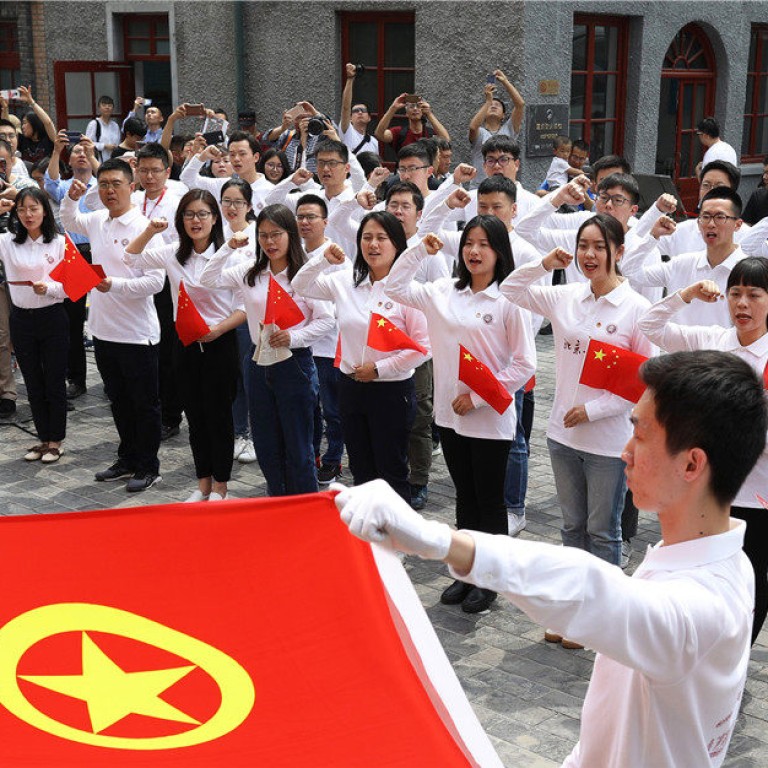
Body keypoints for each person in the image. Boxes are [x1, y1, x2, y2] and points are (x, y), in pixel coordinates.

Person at [335, 348, 766, 768]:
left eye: (640, 433)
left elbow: (592, 590)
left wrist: (441, 541)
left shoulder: (702, 609)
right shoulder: (720, 557)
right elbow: (622, 711)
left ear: (692, 465)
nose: (626, 451)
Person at [501, 216, 653, 609]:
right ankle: (572, 605)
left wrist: (593, 410)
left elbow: (643, 383)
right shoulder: (566, 295)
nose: (589, 254)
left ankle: (603, 612)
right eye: (583, 245)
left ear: (618, 252)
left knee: (603, 530)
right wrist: (543, 265)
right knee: (571, 527)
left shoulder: (637, 308)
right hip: (562, 437)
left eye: (600, 246)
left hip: (607, 441)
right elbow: (510, 287)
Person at [385, 216, 535, 612]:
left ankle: (490, 580)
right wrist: (419, 249)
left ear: (499, 251)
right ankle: (465, 573)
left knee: (489, 502)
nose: (474, 251)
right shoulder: (442, 291)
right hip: (449, 417)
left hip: (488, 419)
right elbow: (394, 286)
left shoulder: (509, 300)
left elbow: (525, 364)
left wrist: (479, 399)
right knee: (464, 499)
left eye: (485, 244)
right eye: (469, 242)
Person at [638, 257, 768, 646]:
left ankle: (738, 653)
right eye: (735, 293)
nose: (742, 304)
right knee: (708, 565)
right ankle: (706, 643)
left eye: (754, 295)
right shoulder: (714, 342)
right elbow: (650, 326)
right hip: (709, 486)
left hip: (757, 490)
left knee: (752, 572)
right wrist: (686, 294)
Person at [292, 211, 429, 502]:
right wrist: (322, 259)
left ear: (397, 245)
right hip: (351, 387)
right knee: (361, 468)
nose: (373, 245)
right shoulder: (345, 281)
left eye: (382, 238)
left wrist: (379, 369)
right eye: (367, 237)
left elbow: (422, 347)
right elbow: (300, 285)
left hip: (391, 391)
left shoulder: (409, 291)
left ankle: (396, 538)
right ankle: (366, 539)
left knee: (391, 470)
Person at [200, 204, 333, 496]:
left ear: (291, 235)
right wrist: (228, 248)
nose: (270, 242)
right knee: (266, 442)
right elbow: (207, 279)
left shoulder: (305, 276)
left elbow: (326, 320)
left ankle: (305, 506)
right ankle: (276, 499)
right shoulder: (250, 272)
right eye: (263, 235)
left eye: (276, 234)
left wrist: (294, 337)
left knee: (298, 444)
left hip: (293, 363)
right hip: (258, 362)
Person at [125, 189, 246, 502]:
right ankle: (203, 483)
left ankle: (221, 485)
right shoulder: (172, 253)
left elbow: (245, 307)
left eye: (203, 214)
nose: (196, 220)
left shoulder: (231, 252)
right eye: (189, 214)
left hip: (220, 344)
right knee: (195, 417)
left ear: (215, 218)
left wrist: (218, 329)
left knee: (219, 418)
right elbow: (130, 256)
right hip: (186, 345)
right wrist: (151, 230)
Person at [60, 158, 165, 493]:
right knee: (117, 400)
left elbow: (156, 282)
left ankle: (149, 466)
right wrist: (72, 196)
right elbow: (70, 219)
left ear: (131, 187)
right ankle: (127, 458)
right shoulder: (98, 220)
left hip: (137, 333)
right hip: (103, 330)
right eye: (103, 184)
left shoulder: (146, 227)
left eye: (115, 184)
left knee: (144, 403)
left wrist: (114, 286)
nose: (108, 191)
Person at [0, 189, 68, 462]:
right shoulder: (7, 242)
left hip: (52, 316)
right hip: (21, 319)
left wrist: (49, 288)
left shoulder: (60, 243)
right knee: (33, 382)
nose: (28, 214)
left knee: (54, 380)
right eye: (22, 209)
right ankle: (42, 438)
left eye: (34, 208)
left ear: (44, 211)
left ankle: (56, 440)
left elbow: (74, 286)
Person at [620, 187, 747, 327]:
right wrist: (653, 237)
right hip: (676, 348)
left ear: (737, 224)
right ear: (698, 223)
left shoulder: (749, 273)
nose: (711, 224)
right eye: (705, 217)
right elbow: (630, 272)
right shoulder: (682, 264)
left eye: (720, 217)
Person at [45, 131, 100, 402]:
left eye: (85, 151)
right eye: (76, 151)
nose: (80, 154)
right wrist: (57, 150)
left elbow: (112, 180)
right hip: (74, 255)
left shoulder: (103, 184)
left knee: (105, 316)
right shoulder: (65, 186)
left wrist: (93, 155)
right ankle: (76, 378)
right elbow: (50, 181)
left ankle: (112, 379)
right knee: (74, 319)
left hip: (100, 254)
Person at [295, 193, 345, 485]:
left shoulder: (337, 256)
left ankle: (334, 459)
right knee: (308, 408)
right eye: (300, 217)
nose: (305, 222)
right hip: (301, 343)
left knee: (333, 410)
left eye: (311, 217)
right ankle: (311, 456)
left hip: (330, 345)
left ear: (325, 221)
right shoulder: (294, 253)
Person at [217, 178, 258, 466]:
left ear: (249, 205)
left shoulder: (256, 235)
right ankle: (238, 431)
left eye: (238, 202)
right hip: (219, 315)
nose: (231, 208)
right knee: (230, 378)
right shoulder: (216, 234)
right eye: (226, 201)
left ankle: (254, 435)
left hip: (247, 316)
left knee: (249, 377)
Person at [468, 70, 525, 184]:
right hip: (480, 186)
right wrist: (488, 100)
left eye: (497, 105)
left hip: (506, 185)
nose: (493, 106)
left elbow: (520, 104)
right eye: (490, 106)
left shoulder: (509, 129)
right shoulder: (481, 132)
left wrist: (505, 82)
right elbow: (473, 127)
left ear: (503, 115)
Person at [374, 93, 450, 152]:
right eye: (411, 106)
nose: (415, 109)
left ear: (423, 111)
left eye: (418, 106)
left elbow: (446, 140)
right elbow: (379, 134)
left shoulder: (430, 133)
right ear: (406, 113)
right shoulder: (399, 132)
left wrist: (429, 113)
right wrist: (393, 108)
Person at [339, 63, 378, 156]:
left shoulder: (374, 142)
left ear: (369, 118)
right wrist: (350, 79)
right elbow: (345, 107)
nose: (360, 112)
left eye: (363, 110)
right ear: (350, 118)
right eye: (355, 111)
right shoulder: (347, 132)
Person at [16, 86, 56, 166]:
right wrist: (5, 108)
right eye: (22, 124)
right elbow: (6, 130)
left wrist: (31, 102)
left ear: (35, 123)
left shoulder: (49, 139)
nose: (22, 127)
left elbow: (48, 122)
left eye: (25, 123)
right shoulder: (22, 140)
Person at [85, 95, 121, 162]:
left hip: (113, 162)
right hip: (98, 162)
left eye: (110, 105)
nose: (107, 107)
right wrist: (104, 146)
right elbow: (87, 143)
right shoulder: (94, 124)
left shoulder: (115, 126)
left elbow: (118, 144)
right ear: (99, 108)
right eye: (104, 105)